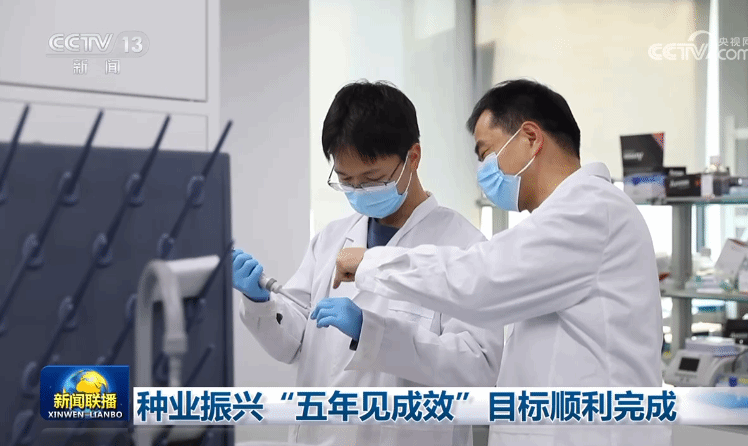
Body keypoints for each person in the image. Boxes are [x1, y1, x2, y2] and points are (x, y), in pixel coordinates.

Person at [333, 79, 670, 446]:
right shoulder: (570, 216)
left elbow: (480, 281)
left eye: (486, 153)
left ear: (530, 138)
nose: (483, 172)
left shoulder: (590, 209)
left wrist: (373, 264)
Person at [232, 81, 503, 446]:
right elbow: (291, 345)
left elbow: (477, 369)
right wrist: (261, 303)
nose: (359, 192)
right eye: (347, 181)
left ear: (413, 157)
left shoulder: (463, 248)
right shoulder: (330, 240)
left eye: (373, 179)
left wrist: (372, 334)